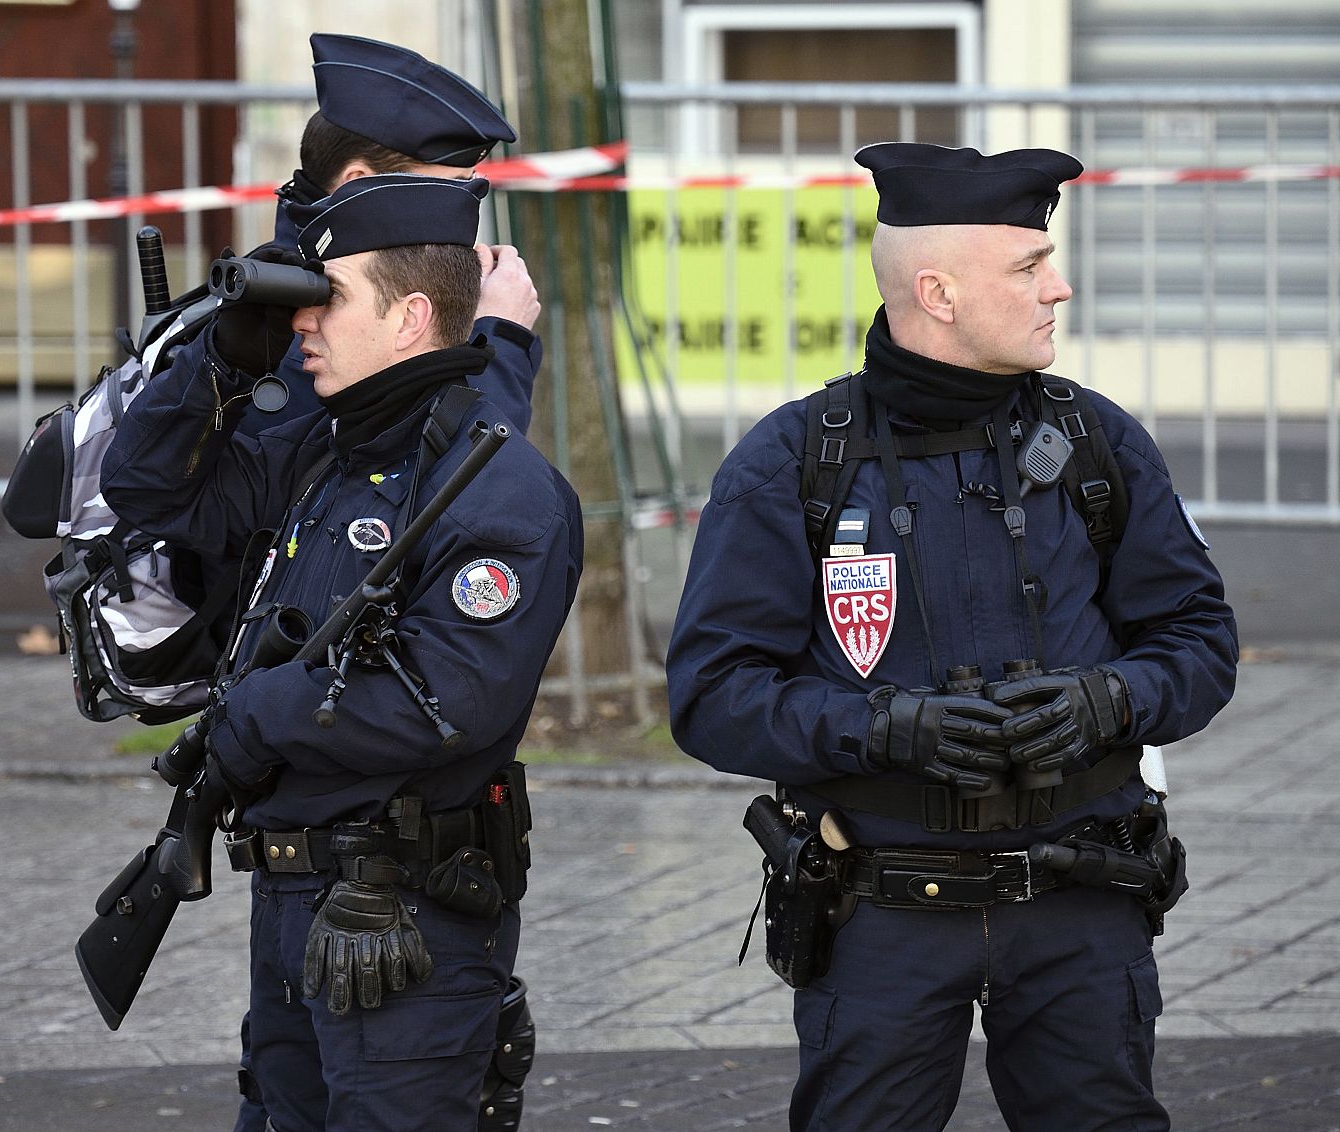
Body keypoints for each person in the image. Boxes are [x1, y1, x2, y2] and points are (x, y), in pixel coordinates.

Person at [665, 143, 1237, 1131]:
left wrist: (1112, 699)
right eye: (1026, 266)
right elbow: (711, 696)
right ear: (936, 289)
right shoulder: (795, 460)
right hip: (880, 909)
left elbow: (1199, 643)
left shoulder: (1099, 444)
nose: (1057, 286)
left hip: (1081, 897)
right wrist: (877, 730)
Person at [102, 172, 583, 1132]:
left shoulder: (496, 487)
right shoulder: (329, 454)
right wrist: (217, 359)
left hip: (399, 924)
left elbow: (448, 702)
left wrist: (254, 714)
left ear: (411, 318)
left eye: (331, 298)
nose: (306, 322)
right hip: (289, 901)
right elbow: (145, 488)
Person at [229, 32, 540, 434]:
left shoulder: (311, 280)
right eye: (448, 188)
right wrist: (502, 333)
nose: (463, 207)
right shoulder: (301, 325)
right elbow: (460, 479)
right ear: (355, 182)